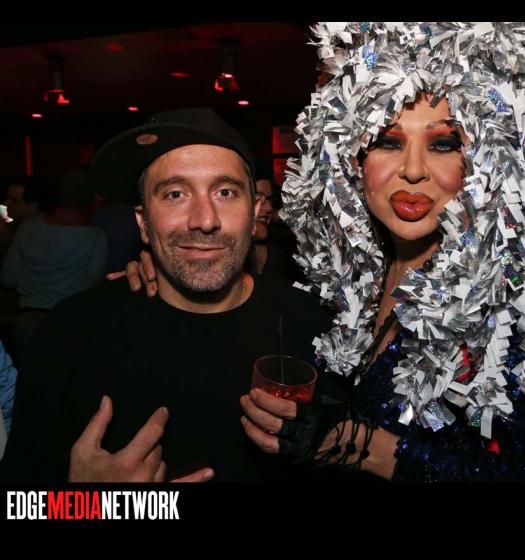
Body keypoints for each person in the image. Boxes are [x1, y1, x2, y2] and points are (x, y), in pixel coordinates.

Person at [238, 22, 525, 481]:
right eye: (388, 141)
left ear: (484, 162)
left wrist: (364, 447)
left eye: (443, 144)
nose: (412, 170)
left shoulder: (516, 300)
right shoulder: (350, 281)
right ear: (352, 160)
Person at [0, 107, 340, 482]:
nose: (204, 220)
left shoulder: (319, 332)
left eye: (225, 192)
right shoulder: (69, 334)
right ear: (143, 222)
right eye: (175, 194)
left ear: (255, 212)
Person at [0, 169, 107, 367]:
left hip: (28, 318)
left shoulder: (30, 227)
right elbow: (92, 287)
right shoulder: (95, 238)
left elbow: (8, 277)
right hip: (70, 322)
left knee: (29, 380)